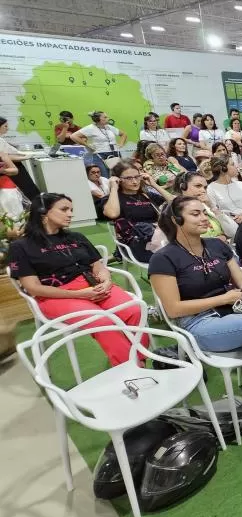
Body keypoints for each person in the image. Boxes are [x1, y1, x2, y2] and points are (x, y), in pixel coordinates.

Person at [149, 196, 242, 401]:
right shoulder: (163, 258)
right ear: (176, 220)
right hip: (199, 322)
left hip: (235, 310)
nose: (204, 218)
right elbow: (173, 309)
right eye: (195, 214)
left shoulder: (217, 245)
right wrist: (222, 300)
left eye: (204, 213)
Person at [9, 193, 145, 366]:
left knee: (134, 309)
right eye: (64, 209)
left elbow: (98, 266)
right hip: (56, 295)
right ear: (43, 212)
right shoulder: (21, 246)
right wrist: (81, 295)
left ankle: (140, 359)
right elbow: (33, 287)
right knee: (101, 321)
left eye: (71, 210)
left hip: (93, 286)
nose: (70, 214)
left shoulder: (77, 237)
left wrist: (106, 281)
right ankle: (131, 367)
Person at [104, 162, 172, 263]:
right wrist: (114, 187)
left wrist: (153, 184)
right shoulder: (113, 199)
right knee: (175, 256)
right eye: (129, 178)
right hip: (135, 243)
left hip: (158, 238)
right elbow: (112, 214)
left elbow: (177, 203)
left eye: (137, 177)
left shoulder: (146, 195)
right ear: (118, 179)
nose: (135, 181)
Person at [70, 111, 127, 175]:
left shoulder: (109, 127)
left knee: (119, 175)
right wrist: (88, 146)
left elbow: (123, 134)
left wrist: (121, 144)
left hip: (115, 153)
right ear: (98, 119)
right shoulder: (90, 128)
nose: (108, 118)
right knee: (104, 176)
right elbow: (73, 136)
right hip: (100, 154)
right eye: (105, 117)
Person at [206, 156, 242, 225]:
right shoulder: (211, 188)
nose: (236, 166)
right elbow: (214, 212)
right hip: (232, 224)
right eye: (232, 164)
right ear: (223, 169)